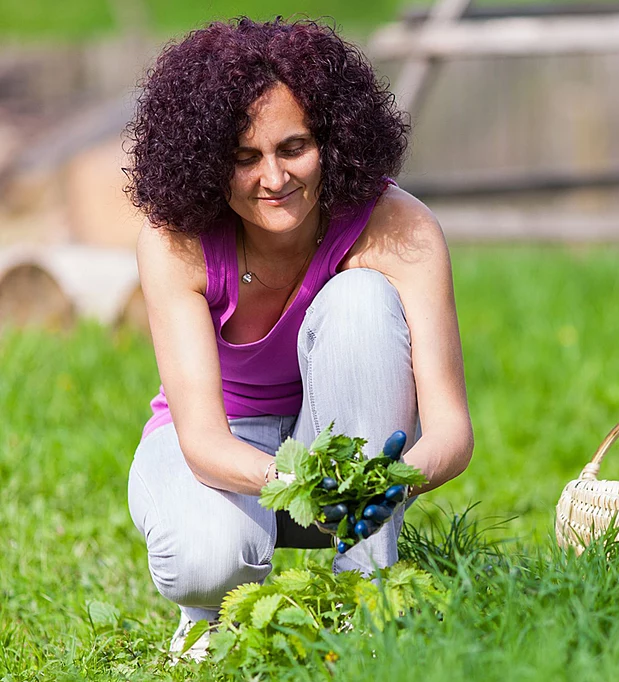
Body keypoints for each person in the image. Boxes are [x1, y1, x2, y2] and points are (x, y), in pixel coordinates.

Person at [123, 17, 474, 660]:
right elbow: (202, 443)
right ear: (205, 159)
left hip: (340, 447)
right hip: (223, 449)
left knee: (362, 297)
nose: (274, 179)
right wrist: (311, 484)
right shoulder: (175, 240)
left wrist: (384, 482)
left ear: (333, 142)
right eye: (244, 157)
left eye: (294, 148)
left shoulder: (399, 228)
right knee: (206, 560)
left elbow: (451, 433)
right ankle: (209, 616)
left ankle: (363, 598)